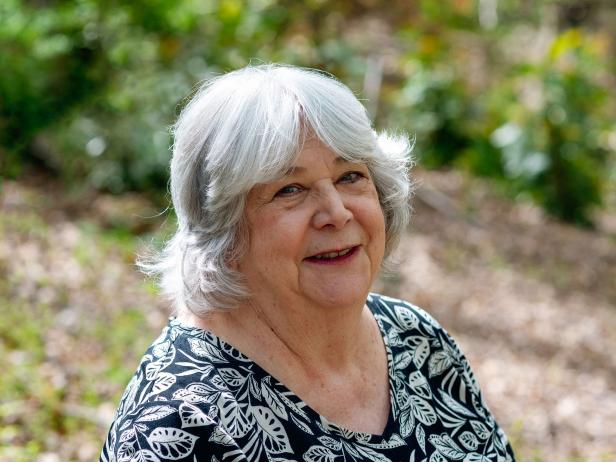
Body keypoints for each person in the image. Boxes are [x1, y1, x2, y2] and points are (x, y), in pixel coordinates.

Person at [99, 64, 515, 462]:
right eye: (290, 189)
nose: (336, 212)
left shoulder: (417, 340)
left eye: (350, 176)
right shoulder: (180, 426)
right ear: (223, 231)